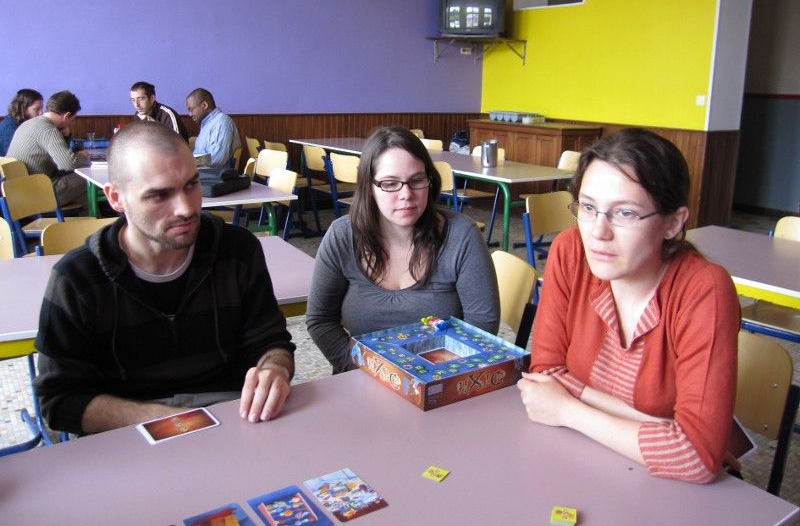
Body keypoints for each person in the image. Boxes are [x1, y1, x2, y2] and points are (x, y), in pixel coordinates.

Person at [34, 122, 295, 436]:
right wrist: (171, 420)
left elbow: (270, 341)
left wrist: (274, 368)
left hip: (233, 419)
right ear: (116, 198)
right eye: (159, 195)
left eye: (192, 184)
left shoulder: (237, 250)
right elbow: (59, 401)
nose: (186, 208)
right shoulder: (77, 278)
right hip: (128, 434)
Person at [517, 128, 739, 484]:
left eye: (625, 213)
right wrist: (662, 428)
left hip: (665, 490)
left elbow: (697, 458)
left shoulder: (703, 289)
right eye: (588, 207)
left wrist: (568, 410)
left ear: (673, 223)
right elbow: (545, 375)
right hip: (576, 461)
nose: (598, 232)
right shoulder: (570, 251)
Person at [306, 126, 500, 374]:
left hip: (443, 378)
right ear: (369, 187)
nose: (406, 194)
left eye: (417, 180)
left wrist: (428, 378)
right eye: (390, 183)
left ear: (430, 181)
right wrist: (365, 370)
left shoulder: (462, 235)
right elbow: (320, 320)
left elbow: (481, 327)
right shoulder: (343, 235)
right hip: (362, 376)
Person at [6, 90, 90, 210]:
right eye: (72, 119)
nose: (71, 123)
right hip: (38, 195)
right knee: (89, 179)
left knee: (83, 195)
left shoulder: (28, 123)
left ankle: (86, 217)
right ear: (66, 116)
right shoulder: (48, 130)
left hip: (18, 193)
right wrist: (86, 157)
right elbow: (67, 163)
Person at [186, 88, 242, 169]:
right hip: (203, 172)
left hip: (216, 175)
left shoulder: (222, 122)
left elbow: (216, 160)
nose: (190, 114)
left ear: (204, 105)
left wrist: (189, 162)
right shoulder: (207, 123)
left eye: (191, 110)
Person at [0, 89, 43, 156]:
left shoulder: (27, 124)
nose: (41, 113)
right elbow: (14, 156)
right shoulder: (9, 126)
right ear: (23, 108)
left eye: (41, 108)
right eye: (36, 109)